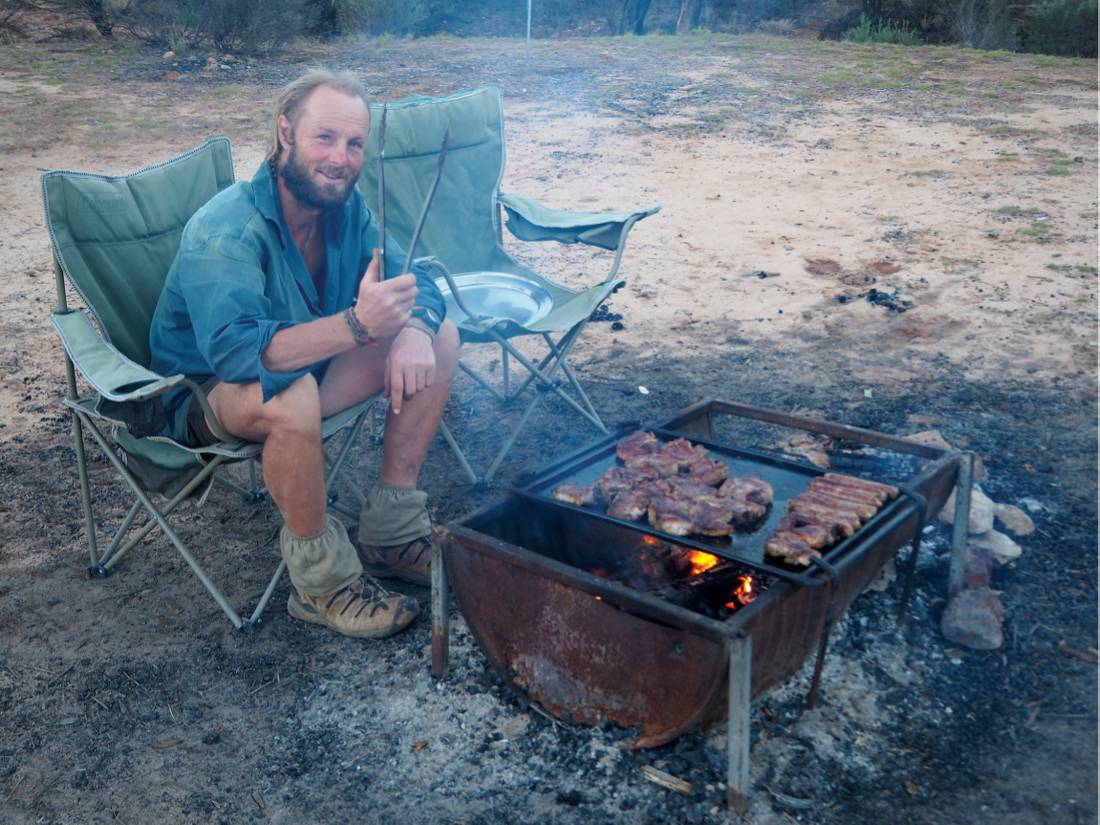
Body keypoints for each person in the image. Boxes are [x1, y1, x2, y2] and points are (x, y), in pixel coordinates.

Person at [148, 69, 460, 640]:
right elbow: (239, 353)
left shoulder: (346, 210)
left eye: (354, 143)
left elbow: (416, 282)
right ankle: (322, 584)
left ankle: (391, 531)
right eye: (325, 137)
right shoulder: (228, 228)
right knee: (288, 393)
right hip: (204, 394)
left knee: (439, 337)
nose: (340, 158)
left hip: (307, 368)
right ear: (285, 132)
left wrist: (413, 327)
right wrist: (357, 325)